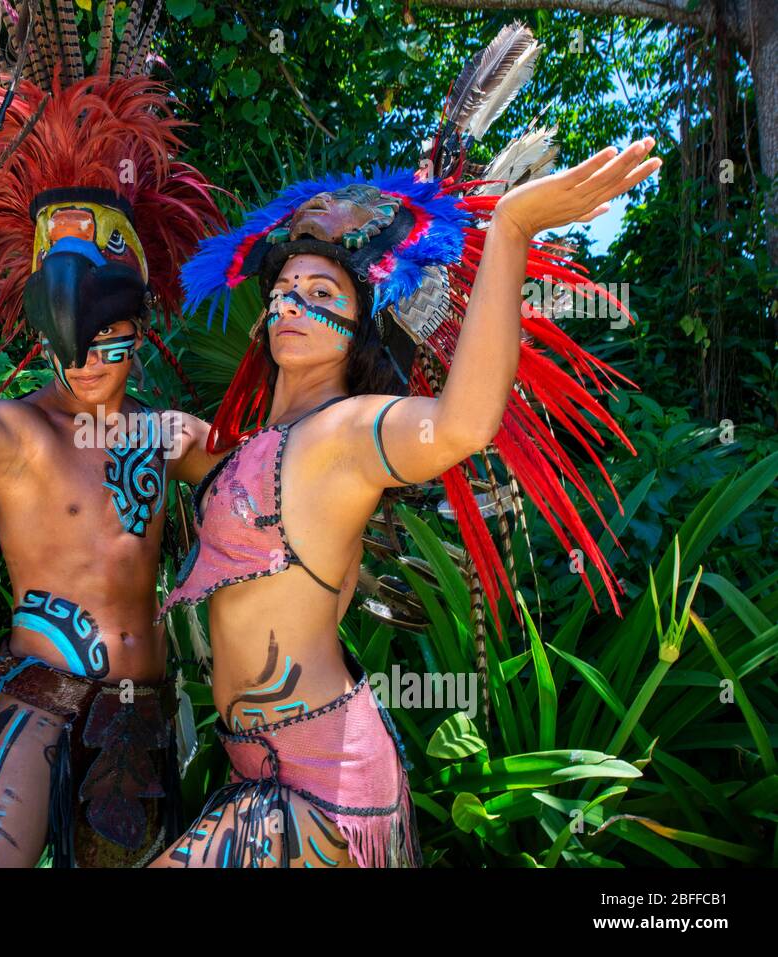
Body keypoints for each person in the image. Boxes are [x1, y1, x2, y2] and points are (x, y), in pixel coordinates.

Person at [148, 124, 659, 867]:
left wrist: (511, 226)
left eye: (321, 292)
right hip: (258, 776)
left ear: (359, 328)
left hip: (319, 792)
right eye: (284, 289)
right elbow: (212, 465)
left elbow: (463, 423)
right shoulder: (256, 447)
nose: (292, 303)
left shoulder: (347, 431)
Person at [0, 64, 222, 867]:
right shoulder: (20, 434)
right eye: (73, 340)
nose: (91, 359)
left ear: (138, 321)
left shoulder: (173, 434)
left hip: (142, 716)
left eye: (109, 336)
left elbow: (274, 483)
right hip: (41, 700)